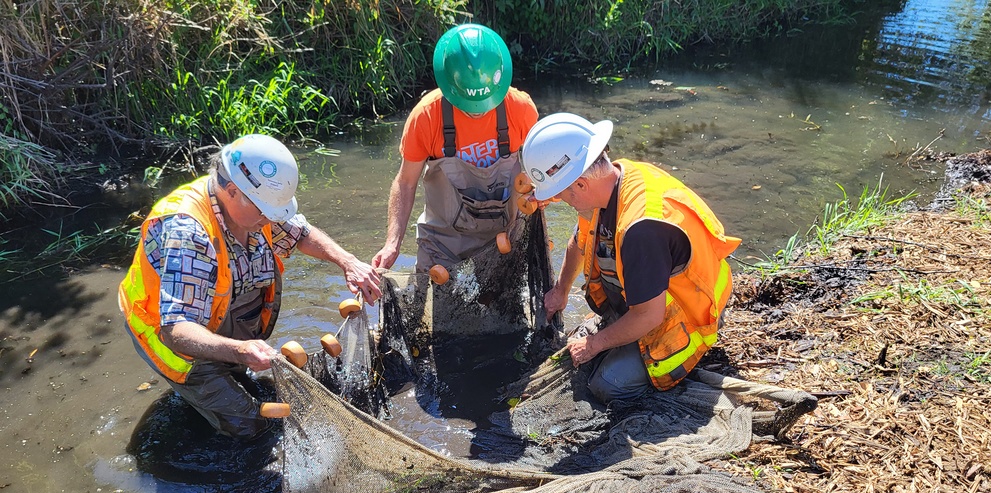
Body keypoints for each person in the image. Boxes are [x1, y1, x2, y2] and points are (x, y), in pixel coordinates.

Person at [119, 133, 382, 439]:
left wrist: (348, 262)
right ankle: (203, 394)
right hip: (174, 341)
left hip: (218, 318)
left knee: (249, 388)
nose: (271, 219)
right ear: (231, 190)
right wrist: (242, 350)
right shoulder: (187, 233)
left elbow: (301, 233)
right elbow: (176, 330)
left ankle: (219, 384)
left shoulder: (255, 208)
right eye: (264, 212)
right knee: (249, 427)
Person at [520, 113, 742, 403]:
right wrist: (561, 292)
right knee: (592, 354)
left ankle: (669, 368)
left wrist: (594, 345)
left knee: (608, 385)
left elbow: (649, 315)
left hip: (690, 314)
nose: (561, 199)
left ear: (581, 184)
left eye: (562, 193)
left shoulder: (641, 229)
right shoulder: (614, 178)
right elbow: (580, 238)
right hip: (656, 296)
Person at [371, 23, 539, 272]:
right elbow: (405, 182)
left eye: (484, 103)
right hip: (443, 247)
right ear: (450, 87)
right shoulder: (426, 116)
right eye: (468, 104)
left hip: (505, 242)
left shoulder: (521, 109)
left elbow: (545, 169)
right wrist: (392, 244)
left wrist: (544, 193)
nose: (477, 111)